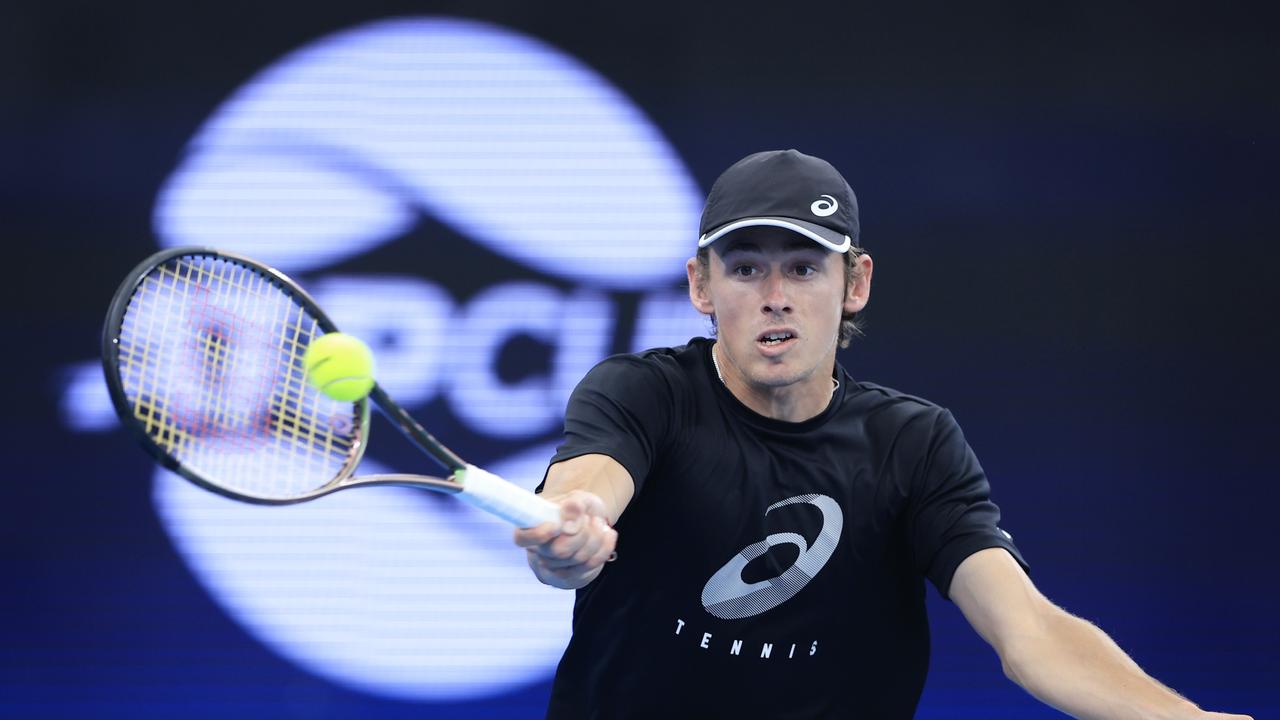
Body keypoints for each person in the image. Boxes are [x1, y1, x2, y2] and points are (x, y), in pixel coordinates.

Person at [514, 149, 1252, 719]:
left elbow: (1028, 631)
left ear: (855, 282)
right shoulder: (642, 393)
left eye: (803, 268)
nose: (775, 299)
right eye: (746, 269)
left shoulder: (914, 445)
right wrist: (575, 530)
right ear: (701, 285)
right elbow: (587, 489)